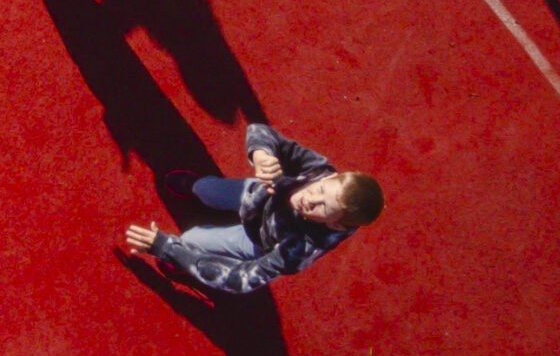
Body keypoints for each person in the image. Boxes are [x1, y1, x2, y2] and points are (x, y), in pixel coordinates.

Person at [125, 124, 383, 295]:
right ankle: (197, 188)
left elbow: (238, 279)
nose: (310, 198)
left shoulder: (298, 250)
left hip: (256, 239)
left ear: (336, 225)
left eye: (323, 207)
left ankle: (181, 259)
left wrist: (169, 248)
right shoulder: (318, 170)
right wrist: (262, 155)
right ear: (328, 178)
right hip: (256, 196)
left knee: (190, 241)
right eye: (320, 190)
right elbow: (260, 131)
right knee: (208, 190)